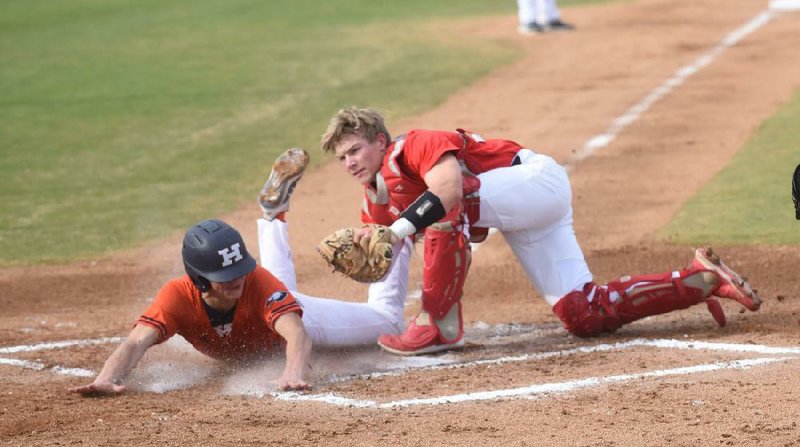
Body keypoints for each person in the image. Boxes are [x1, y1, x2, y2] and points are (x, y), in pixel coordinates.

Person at [320, 107, 762, 355]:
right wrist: (371, 253)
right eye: (342, 158)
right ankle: (699, 281)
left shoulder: (413, 144)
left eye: (356, 150)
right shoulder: (377, 197)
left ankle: (438, 323)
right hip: (523, 216)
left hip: (534, 183)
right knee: (584, 315)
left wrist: (397, 231)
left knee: (451, 203)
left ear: (380, 140)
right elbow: (385, 259)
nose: (351, 163)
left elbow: (449, 190)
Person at [69, 218, 314, 395]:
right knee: (279, 285)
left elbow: (297, 333)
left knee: (348, 325)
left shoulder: (255, 280)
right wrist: (105, 379)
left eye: (240, 270)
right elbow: (135, 342)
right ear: (200, 279)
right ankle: (273, 216)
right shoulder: (178, 296)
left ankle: (274, 216)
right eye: (225, 275)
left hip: (310, 320)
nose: (237, 279)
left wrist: (292, 373)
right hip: (274, 298)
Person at [255, 148, 413, 347]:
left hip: (257, 308)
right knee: (389, 320)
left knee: (276, 297)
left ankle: (273, 218)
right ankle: (398, 222)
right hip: (271, 316)